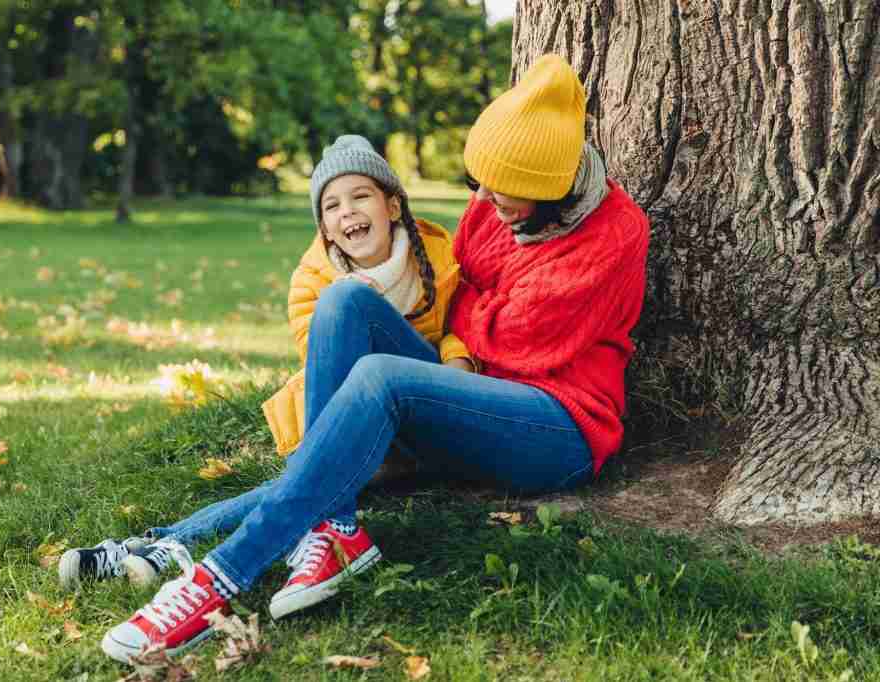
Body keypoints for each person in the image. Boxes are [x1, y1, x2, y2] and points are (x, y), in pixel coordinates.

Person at [64, 53, 650, 664]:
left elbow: (513, 339)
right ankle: (330, 528)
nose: (490, 203)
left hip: (556, 424)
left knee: (380, 381)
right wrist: (481, 313)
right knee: (344, 301)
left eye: (511, 195)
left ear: (554, 189)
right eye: (483, 185)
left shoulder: (614, 234)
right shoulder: (499, 192)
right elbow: (470, 291)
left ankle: (215, 580)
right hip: (466, 394)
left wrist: (476, 313)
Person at [57, 136, 470, 659]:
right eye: (332, 206)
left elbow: (464, 322)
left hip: (424, 404)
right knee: (304, 479)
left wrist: (457, 365)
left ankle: (311, 529)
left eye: (360, 197)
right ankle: (162, 547)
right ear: (324, 226)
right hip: (361, 418)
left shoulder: (440, 254)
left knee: (309, 483)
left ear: (392, 204)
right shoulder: (312, 280)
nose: (349, 213)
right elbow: (329, 368)